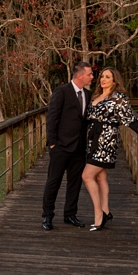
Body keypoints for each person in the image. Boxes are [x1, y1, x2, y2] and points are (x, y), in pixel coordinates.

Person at [82, 67, 138, 231]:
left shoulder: (118, 98)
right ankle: (106, 211)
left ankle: (98, 215)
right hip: (92, 140)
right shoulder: (95, 96)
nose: (103, 79)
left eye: (107, 77)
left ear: (114, 81)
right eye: (102, 76)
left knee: (87, 176)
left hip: (106, 141)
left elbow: (129, 118)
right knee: (101, 177)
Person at [41, 61, 95, 230]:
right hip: (60, 147)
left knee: (75, 183)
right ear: (80, 76)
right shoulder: (61, 92)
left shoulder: (88, 94)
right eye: (90, 74)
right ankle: (47, 216)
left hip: (79, 148)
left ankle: (70, 215)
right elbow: (52, 118)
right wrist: (52, 143)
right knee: (53, 182)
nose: (92, 77)